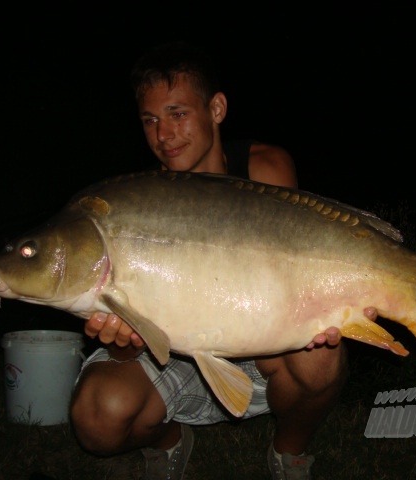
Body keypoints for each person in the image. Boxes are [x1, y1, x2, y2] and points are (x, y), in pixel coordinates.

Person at [70, 41, 348, 480]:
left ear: (216, 109)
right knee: (96, 416)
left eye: (177, 114)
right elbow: (131, 347)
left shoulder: (267, 169)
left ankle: (288, 451)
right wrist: (122, 340)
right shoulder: (138, 205)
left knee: (322, 356)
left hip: (257, 343)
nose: (163, 136)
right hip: (175, 352)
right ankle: (169, 439)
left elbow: (298, 270)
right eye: (150, 121)